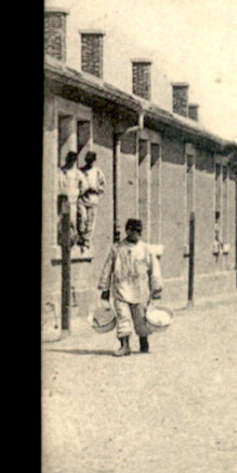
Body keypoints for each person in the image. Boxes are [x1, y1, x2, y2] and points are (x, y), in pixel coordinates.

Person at [98, 217, 163, 356]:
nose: (137, 234)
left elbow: (155, 270)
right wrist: (105, 289)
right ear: (127, 231)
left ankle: (143, 341)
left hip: (140, 289)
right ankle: (125, 346)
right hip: (121, 289)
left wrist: (156, 288)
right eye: (134, 231)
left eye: (140, 231)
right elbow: (107, 269)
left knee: (141, 318)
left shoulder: (146, 249)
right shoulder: (117, 248)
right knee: (123, 317)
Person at [77, 151, 106, 250]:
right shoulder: (80, 171)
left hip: (93, 198)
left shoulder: (98, 172)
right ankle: (81, 237)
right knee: (82, 218)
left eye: (91, 161)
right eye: (88, 161)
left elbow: (102, 186)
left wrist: (96, 188)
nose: (89, 163)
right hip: (82, 198)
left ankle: (87, 241)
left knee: (90, 221)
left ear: (94, 161)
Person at [57, 150, 80, 247]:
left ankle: (72, 240)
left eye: (73, 160)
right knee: (61, 221)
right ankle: (62, 240)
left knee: (72, 221)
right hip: (62, 200)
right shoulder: (61, 172)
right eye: (70, 160)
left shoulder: (76, 173)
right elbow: (58, 184)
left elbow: (83, 185)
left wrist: (77, 193)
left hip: (72, 201)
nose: (71, 162)